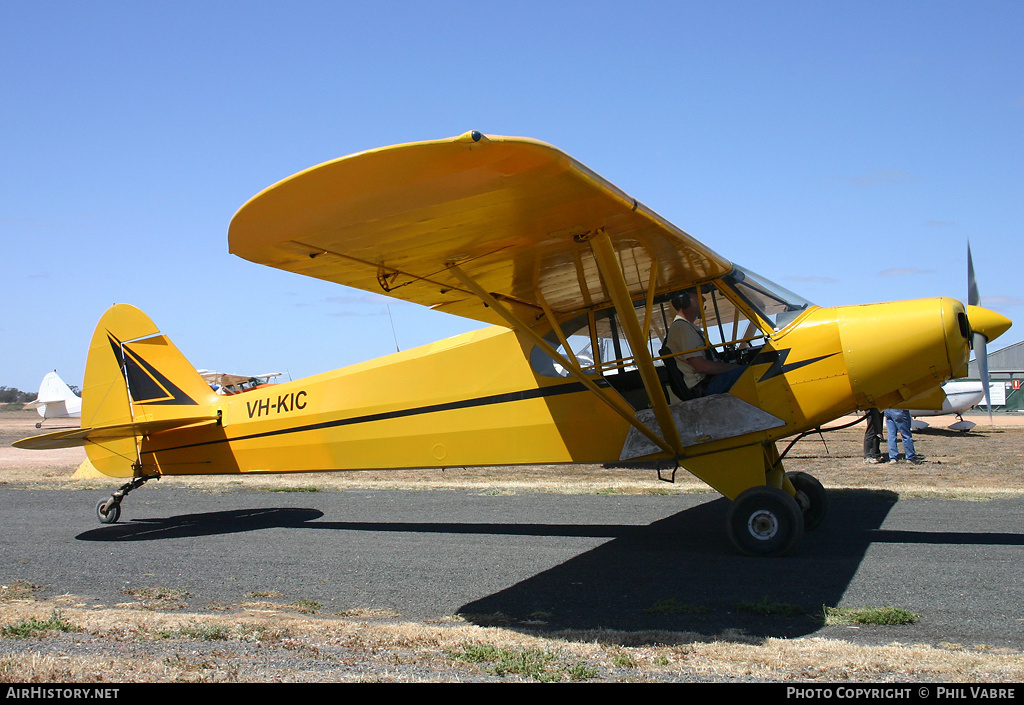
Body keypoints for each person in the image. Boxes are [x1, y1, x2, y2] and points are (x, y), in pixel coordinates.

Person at [665, 289, 746, 396]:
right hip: (704, 386)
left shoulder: (687, 326)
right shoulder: (681, 328)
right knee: (751, 372)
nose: (703, 299)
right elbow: (701, 366)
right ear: (684, 301)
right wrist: (735, 368)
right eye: (697, 296)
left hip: (708, 382)